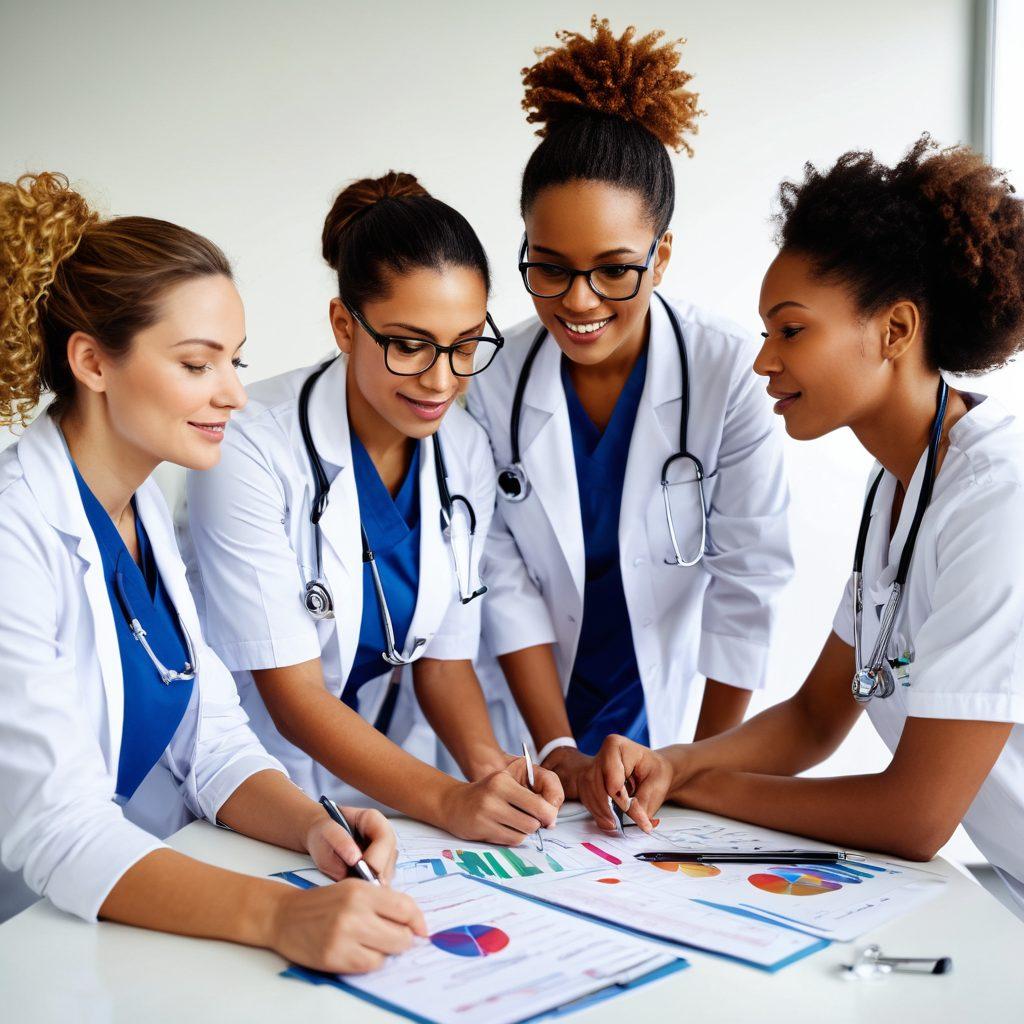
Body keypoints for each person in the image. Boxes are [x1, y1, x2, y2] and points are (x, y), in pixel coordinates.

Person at [583, 137, 1024, 913]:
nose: (762, 362)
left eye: (790, 331)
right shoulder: (900, 489)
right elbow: (819, 714)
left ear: (894, 331)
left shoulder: (998, 500)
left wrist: (710, 788)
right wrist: (676, 764)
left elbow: (915, 815)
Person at [0, 172, 426, 971]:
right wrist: (280, 916)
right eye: (199, 365)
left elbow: (214, 740)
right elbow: (58, 828)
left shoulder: (142, 504)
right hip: (25, 939)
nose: (234, 393)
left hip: (126, 915)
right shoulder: (13, 535)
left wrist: (314, 828)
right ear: (92, 361)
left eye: (236, 360)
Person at [182, 172, 562, 846]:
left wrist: (487, 769)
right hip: (248, 783)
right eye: (410, 345)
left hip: (387, 787)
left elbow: (444, 662)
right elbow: (295, 698)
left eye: (466, 343)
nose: (443, 380)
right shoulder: (249, 447)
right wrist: (448, 801)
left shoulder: (464, 450)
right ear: (344, 326)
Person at [467, 17, 792, 797]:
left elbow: (747, 586)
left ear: (662, 256)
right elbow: (498, 577)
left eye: (614, 270)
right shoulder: (489, 380)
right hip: (522, 719)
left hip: (668, 708)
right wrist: (556, 749)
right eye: (548, 268)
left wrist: (701, 769)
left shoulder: (728, 373)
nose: (578, 302)